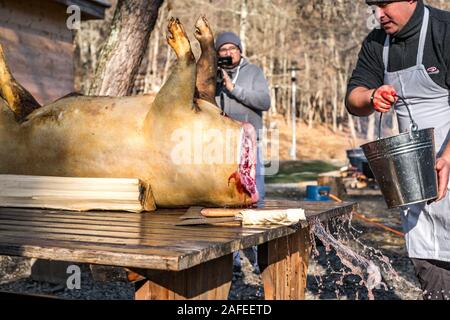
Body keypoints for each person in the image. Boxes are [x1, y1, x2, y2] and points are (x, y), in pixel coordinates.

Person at [346, 0, 450, 300]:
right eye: (373, 6)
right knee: (427, 255)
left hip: (446, 157)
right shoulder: (378, 42)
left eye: (385, 4)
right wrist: (371, 96)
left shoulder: (443, 31)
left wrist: (446, 157)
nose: (378, 14)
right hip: (414, 172)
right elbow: (354, 98)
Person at [215, 31, 271, 272]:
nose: (228, 53)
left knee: (255, 196)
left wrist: (233, 87)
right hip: (220, 145)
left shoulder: (254, 72)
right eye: (223, 50)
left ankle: (261, 256)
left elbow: (264, 102)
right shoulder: (212, 76)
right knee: (227, 198)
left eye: (232, 48)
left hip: (249, 143)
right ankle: (233, 257)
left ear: (240, 50)